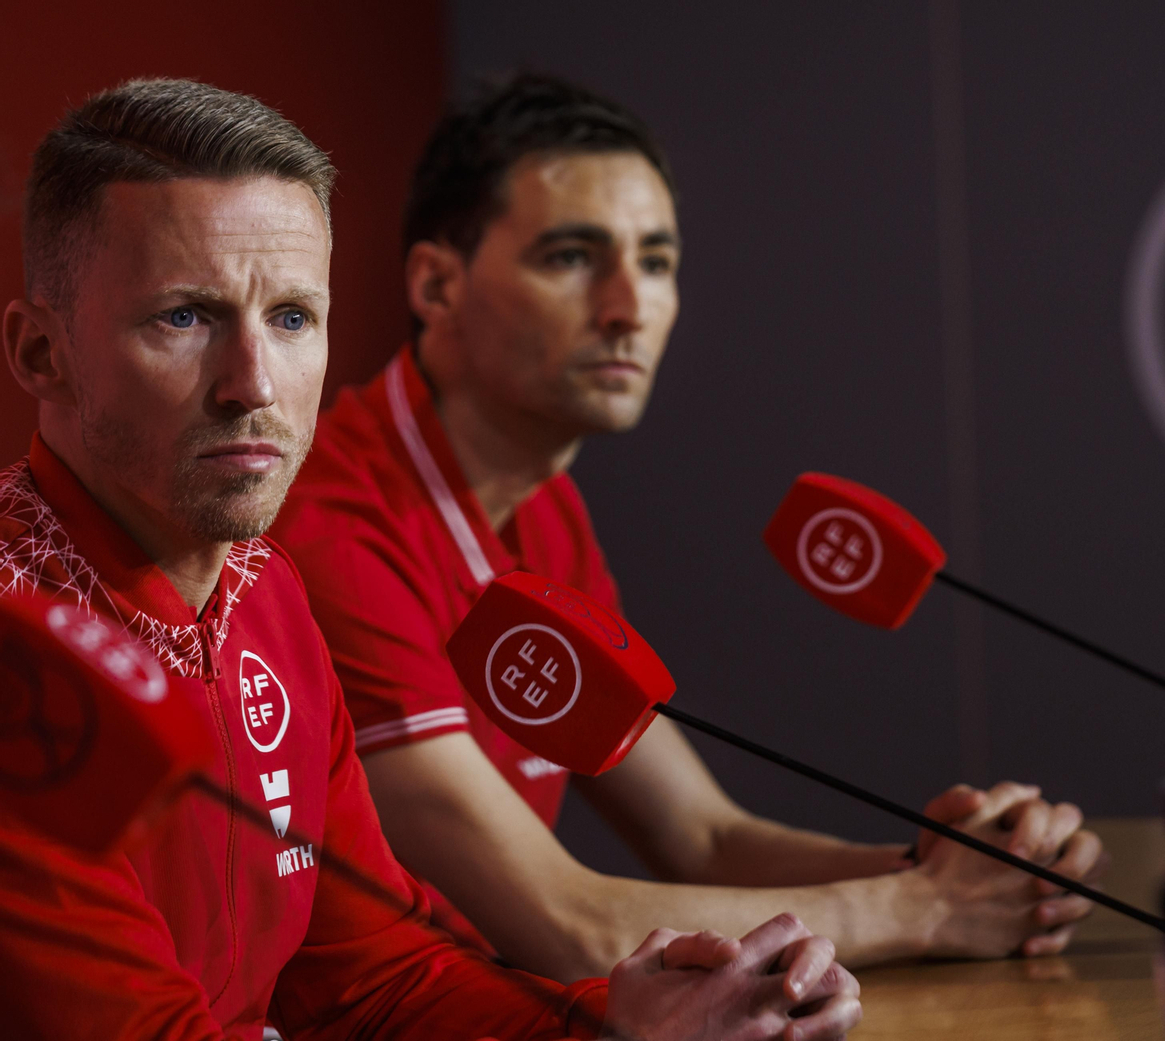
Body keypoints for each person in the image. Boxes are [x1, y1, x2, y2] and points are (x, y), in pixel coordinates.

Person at [0, 78, 860, 1041]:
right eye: (185, 317)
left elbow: (383, 977)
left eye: (292, 317)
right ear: (39, 353)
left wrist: (617, 1019)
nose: (254, 385)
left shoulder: (263, 589)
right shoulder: (18, 671)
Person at [273, 73, 1106, 981]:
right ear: (437, 284)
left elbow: (702, 838)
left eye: (657, 261)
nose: (628, 307)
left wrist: (952, 870)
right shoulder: (331, 530)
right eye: (571, 257)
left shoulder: (542, 506)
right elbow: (567, 924)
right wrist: (933, 906)